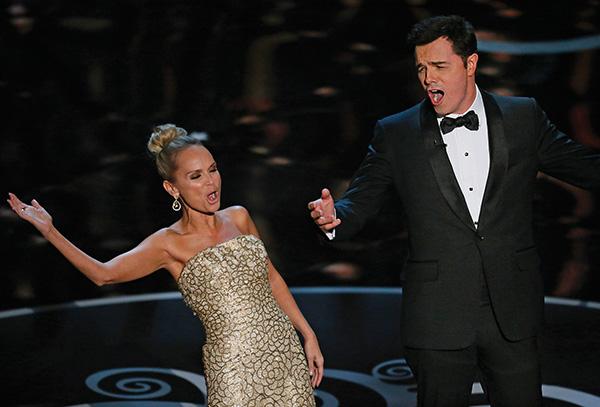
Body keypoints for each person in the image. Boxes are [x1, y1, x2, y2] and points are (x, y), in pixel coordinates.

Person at [308, 15, 600, 407]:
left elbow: (584, 167)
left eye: (440, 66)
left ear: (471, 64)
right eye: (421, 68)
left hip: (511, 311)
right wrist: (334, 217)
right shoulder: (397, 132)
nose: (428, 78)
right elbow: (361, 199)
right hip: (437, 316)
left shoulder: (522, 118)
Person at [8, 123, 323, 407]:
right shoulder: (166, 243)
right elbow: (103, 275)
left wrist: (307, 334)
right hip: (234, 369)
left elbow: (272, 278)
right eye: (195, 176)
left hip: (286, 354)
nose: (210, 183)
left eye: (213, 170)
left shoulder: (239, 216)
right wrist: (50, 231)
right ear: (172, 188)